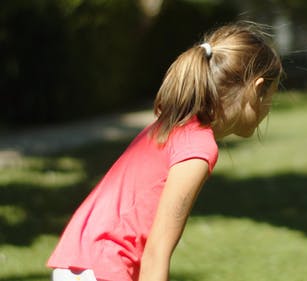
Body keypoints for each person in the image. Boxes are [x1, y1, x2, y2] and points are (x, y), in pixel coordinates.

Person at [47, 21, 282, 281]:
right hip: (104, 264)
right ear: (257, 89)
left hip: (83, 262)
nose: (270, 106)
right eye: (272, 93)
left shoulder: (175, 127)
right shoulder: (198, 149)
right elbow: (156, 254)